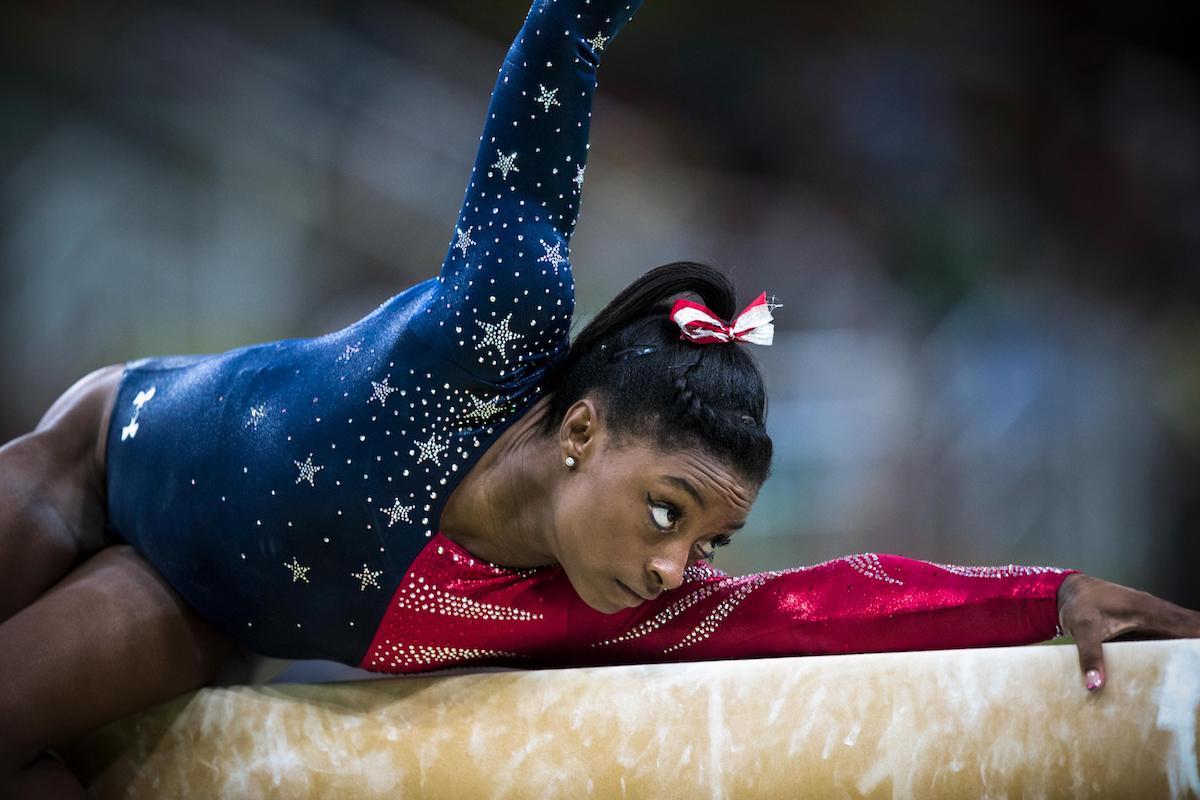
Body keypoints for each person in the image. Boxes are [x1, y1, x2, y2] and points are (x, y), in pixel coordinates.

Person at [1, 0, 1197, 795]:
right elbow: (558, 55)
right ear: (581, 429)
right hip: (99, 457)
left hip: (194, 602)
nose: (677, 567)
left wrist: (1052, 596)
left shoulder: (625, 605)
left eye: (709, 539)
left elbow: (837, 601)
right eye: (670, 511)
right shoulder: (492, 336)